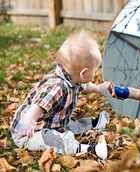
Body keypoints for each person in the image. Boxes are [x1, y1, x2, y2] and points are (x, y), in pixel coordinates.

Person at [10, 31, 110, 160]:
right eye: (95, 70)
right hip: (29, 133)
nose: (96, 73)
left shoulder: (72, 78)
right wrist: (28, 122)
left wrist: (98, 88)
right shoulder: (57, 87)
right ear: (83, 73)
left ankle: (93, 124)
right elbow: (37, 105)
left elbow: (85, 86)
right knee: (54, 139)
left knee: (69, 124)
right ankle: (89, 149)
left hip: (50, 122)